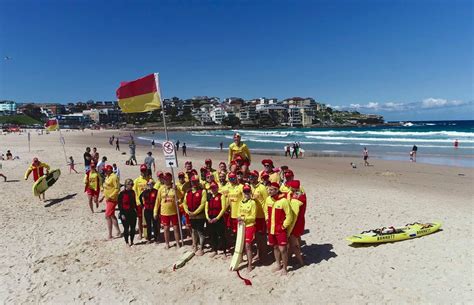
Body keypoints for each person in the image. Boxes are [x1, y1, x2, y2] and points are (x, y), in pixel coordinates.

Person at [265, 182, 293, 275]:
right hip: (271, 228)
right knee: (275, 247)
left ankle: (285, 268)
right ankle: (278, 264)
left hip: (280, 229)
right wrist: (267, 219)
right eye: (269, 189)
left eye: (272, 190)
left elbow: (289, 216)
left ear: (277, 190)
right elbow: (265, 210)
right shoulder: (268, 199)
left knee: (283, 249)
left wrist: (283, 226)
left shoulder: (283, 201)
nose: (270, 191)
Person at [155, 172, 182, 248]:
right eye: (164, 179)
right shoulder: (161, 189)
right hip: (164, 212)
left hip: (174, 211)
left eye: (167, 179)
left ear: (170, 179)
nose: (165, 180)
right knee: (166, 228)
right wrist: (155, 212)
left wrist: (176, 190)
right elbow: (157, 201)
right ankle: (167, 243)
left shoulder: (175, 187)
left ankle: (177, 243)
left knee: (176, 228)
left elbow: (181, 196)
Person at [183, 175, 207, 255]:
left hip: (200, 215)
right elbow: (184, 203)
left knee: (200, 231)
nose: (194, 183)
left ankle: (201, 248)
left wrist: (195, 212)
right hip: (191, 215)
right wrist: (187, 211)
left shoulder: (202, 191)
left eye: (196, 181)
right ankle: (195, 245)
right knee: (193, 231)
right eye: (193, 181)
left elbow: (203, 204)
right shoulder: (188, 192)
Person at [249, 170, 268, 262]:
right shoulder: (249, 187)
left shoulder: (262, 187)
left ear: (257, 177)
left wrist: (266, 216)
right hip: (253, 216)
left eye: (253, 176)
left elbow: (266, 202)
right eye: (250, 176)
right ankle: (258, 253)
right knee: (255, 236)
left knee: (262, 237)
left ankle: (264, 255)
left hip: (261, 216)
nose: (251, 178)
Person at [238, 184, 257, 272]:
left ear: (250, 192)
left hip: (249, 225)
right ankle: (241, 259)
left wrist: (244, 218)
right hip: (241, 226)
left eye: (248, 191)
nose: (246, 193)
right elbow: (239, 213)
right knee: (240, 244)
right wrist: (239, 218)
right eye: (245, 191)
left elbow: (253, 217)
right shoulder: (241, 202)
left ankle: (250, 264)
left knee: (248, 245)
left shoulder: (252, 203)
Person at [287, 180, 306, 267]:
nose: (289, 188)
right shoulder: (301, 194)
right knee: (294, 241)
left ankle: (300, 261)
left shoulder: (298, 198)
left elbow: (294, 211)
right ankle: (290, 257)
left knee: (294, 243)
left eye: (290, 187)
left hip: (296, 222)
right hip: (300, 221)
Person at [205, 182, 227, 257]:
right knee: (212, 235)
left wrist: (217, 218)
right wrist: (207, 217)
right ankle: (214, 250)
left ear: (217, 188)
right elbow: (206, 208)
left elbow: (223, 208)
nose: (213, 189)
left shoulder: (221, 196)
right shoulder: (209, 197)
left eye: (214, 188)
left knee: (221, 235)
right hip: (210, 218)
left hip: (218, 218)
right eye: (212, 188)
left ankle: (224, 251)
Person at [100, 165, 121, 240]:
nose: (104, 171)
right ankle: (118, 231)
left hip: (112, 199)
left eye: (105, 170)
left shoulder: (114, 177)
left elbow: (117, 189)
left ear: (109, 170)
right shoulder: (107, 177)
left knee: (107, 216)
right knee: (111, 215)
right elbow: (106, 188)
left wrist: (110, 196)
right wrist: (103, 197)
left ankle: (110, 235)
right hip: (108, 199)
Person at [133, 164, 153, 240]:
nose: (144, 172)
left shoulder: (150, 179)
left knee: (148, 219)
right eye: (142, 171)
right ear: (140, 171)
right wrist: (138, 202)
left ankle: (148, 233)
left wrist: (151, 182)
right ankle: (140, 234)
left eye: (145, 170)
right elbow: (135, 192)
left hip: (149, 202)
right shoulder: (137, 180)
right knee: (140, 219)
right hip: (140, 203)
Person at [118, 179, 137, 247]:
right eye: (131, 185)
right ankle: (126, 242)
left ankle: (132, 241)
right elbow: (120, 205)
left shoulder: (133, 192)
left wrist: (137, 211)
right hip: (125, 213)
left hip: (132, 212)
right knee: (126, 228)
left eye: (132, 185)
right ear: (127, 185)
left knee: (133, 228)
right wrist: (122, 214)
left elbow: (134, 202)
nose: (132, 186)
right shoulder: (122, 193)